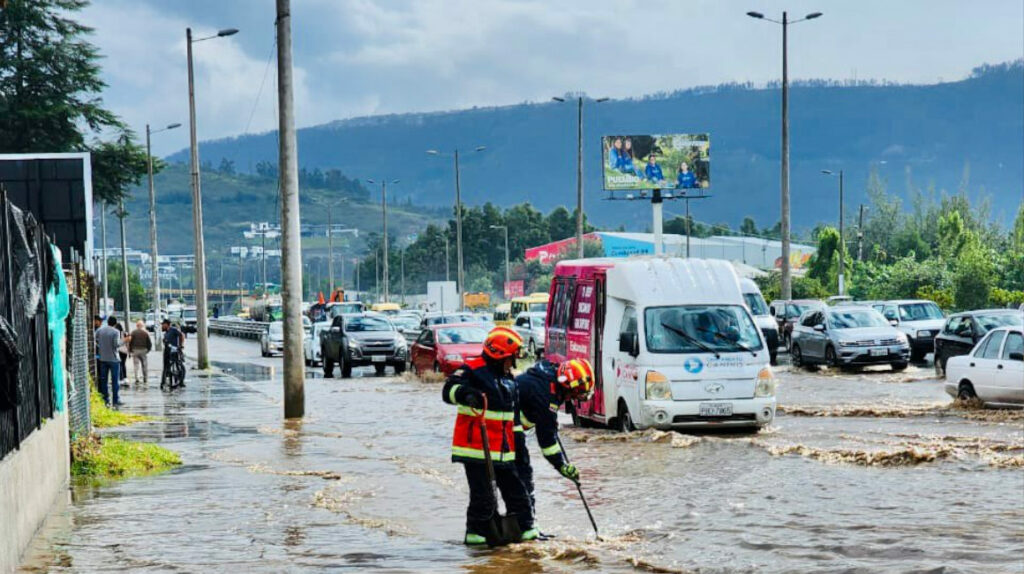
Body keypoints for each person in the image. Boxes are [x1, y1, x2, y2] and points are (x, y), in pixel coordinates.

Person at [441, 326, 537, 545]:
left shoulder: (510, 380)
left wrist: (524, 436)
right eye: (511, 357)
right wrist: (466, 394)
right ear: (499, 356)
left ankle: (528, 535)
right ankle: (476, 540)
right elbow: (448, 391)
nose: (513, 362)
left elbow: (512, 420)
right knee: (484, 499)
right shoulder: (472, 370)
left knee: (518, 494)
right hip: (476, 450)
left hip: (504, 453)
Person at [514, 358, 595, 533]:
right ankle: (526, 528)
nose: (574, 399)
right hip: (506, 430)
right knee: (523, 476)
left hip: (511, 426)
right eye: (575, 395)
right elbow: (547, 442)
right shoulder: (545, 397)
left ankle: (524, 526)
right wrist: (562, 466)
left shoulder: (551, 375)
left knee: (517, 477)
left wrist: (550, 424)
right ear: (567, 388)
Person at [95, 316, 123, 406]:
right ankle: (115, 400)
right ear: (115, 323)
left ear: (108, 322)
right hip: (113, 359)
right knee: (115, 381)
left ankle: (105, 399)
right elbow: (116, 345)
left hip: (103, 358)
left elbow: (96, 340)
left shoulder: (100, 331)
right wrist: (125, 341)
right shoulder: (116, 332)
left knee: (104, 380)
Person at [161, 319, 186, 388]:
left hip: (174, 350)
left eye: (163, 324)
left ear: (167, 324)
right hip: (167, 351)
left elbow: (182, 335)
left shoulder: (173, 330)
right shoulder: (166, 332)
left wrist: (181, 345)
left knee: (177, 366)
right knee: (166, 366)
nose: (162, 326)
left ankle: (180, 381)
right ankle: (164, 382)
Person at [128, 320, 152, 386]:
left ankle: (137, 378)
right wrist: (148, 350)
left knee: (136, 365)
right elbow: (149, 342)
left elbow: (130, 342)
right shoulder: (145, 333)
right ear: (142, 325)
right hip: (143, 350)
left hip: (135, 350)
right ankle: (145, 379)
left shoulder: (133, 332)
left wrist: (130, 350)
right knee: (144, 365)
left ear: (137, 325)